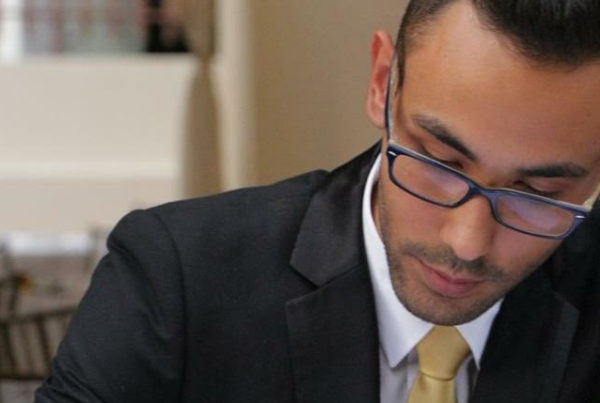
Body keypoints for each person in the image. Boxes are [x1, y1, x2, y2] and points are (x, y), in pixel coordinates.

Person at [36, 0, 600, 402]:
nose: (467, 242)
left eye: (538, 194)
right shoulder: (179, 278)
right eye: (439, 162)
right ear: (381, 83)